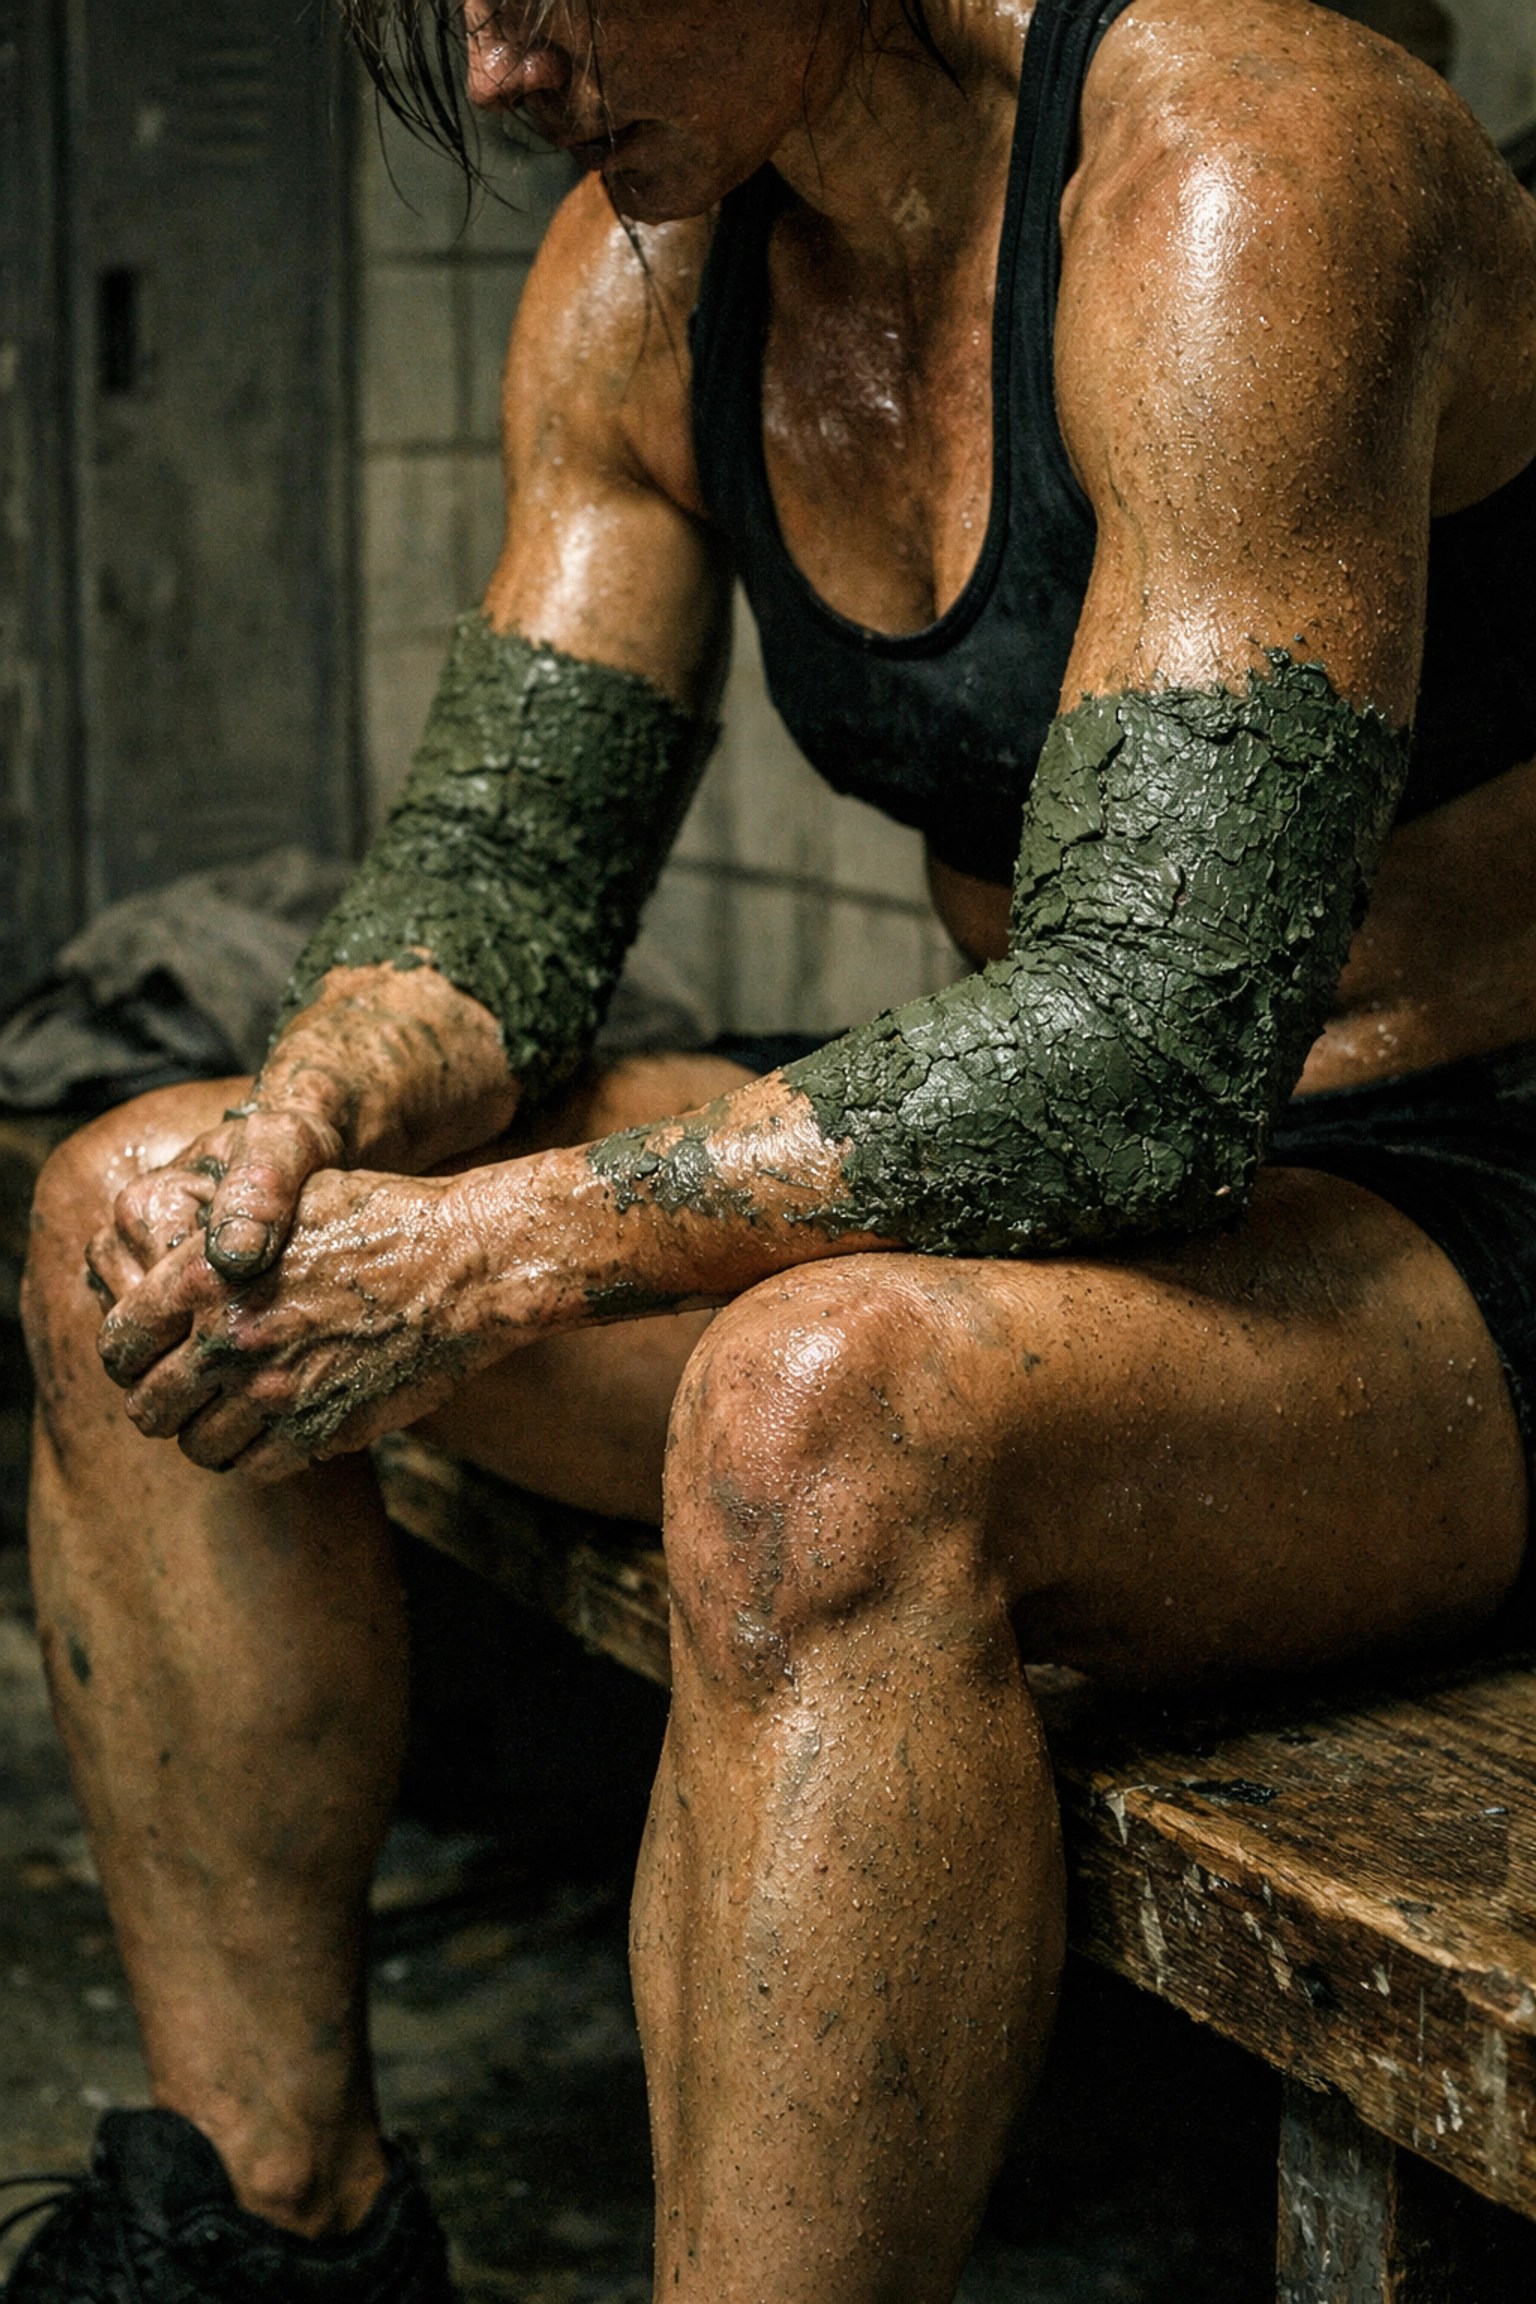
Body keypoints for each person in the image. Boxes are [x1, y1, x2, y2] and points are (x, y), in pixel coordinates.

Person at [11, 0, 1536, 2297]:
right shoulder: (647, 279)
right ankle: (273, 2224)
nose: (505, 74)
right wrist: (324, 1084)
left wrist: (507, 1246)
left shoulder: (1245, 160)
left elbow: (1154, 1040)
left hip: (1453, 1208)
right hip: (1071, 1175)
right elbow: (498, 902)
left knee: (812, 1426)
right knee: (140, 1214)